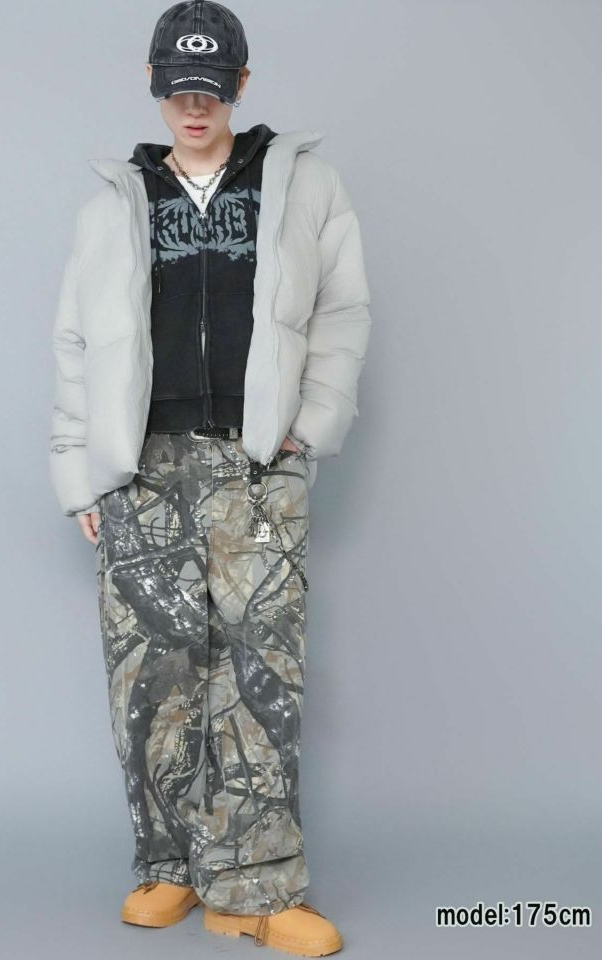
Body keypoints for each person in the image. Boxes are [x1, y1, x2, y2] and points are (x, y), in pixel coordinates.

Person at [49, 1, 372, 954]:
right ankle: (171, 867)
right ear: (155, 86)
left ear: (240, 84)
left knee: (259, 672)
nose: (194, 107)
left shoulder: (303, 186)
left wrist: (310, 431)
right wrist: (79, 473)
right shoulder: (112, 206)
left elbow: (343, 312)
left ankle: (257, 888)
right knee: (151, 674)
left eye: (211, 88)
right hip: (139, 468)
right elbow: (76, 342)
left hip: (256, 464)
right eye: (179, 89)